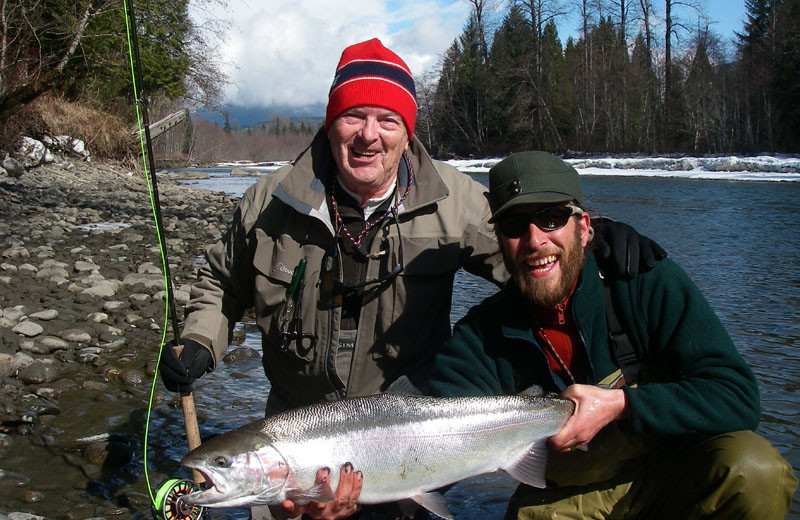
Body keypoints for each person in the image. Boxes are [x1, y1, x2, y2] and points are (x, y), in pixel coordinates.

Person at [159, 39, 664, 519]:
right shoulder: (269, 203)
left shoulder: (455, 200)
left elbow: (530, 259)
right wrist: (200, 341)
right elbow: (221, 284)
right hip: (297, 422)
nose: (368, 135)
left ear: (408, 131)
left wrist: (591, 239)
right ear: (331, 123)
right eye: (354, 115)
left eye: (387, 119)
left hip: (416, 425)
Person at [425, 151, 798, 519]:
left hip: (674, 473)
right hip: (571, 494)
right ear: (500, 240)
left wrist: (620, 406)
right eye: (514, 226)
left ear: (585, 227)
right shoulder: (481, 336)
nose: (535, 240)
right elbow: (428, 440)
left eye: (551, 218)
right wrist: (375, 486)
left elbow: (737, 399)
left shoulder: (642, 281)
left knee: (754, 470)